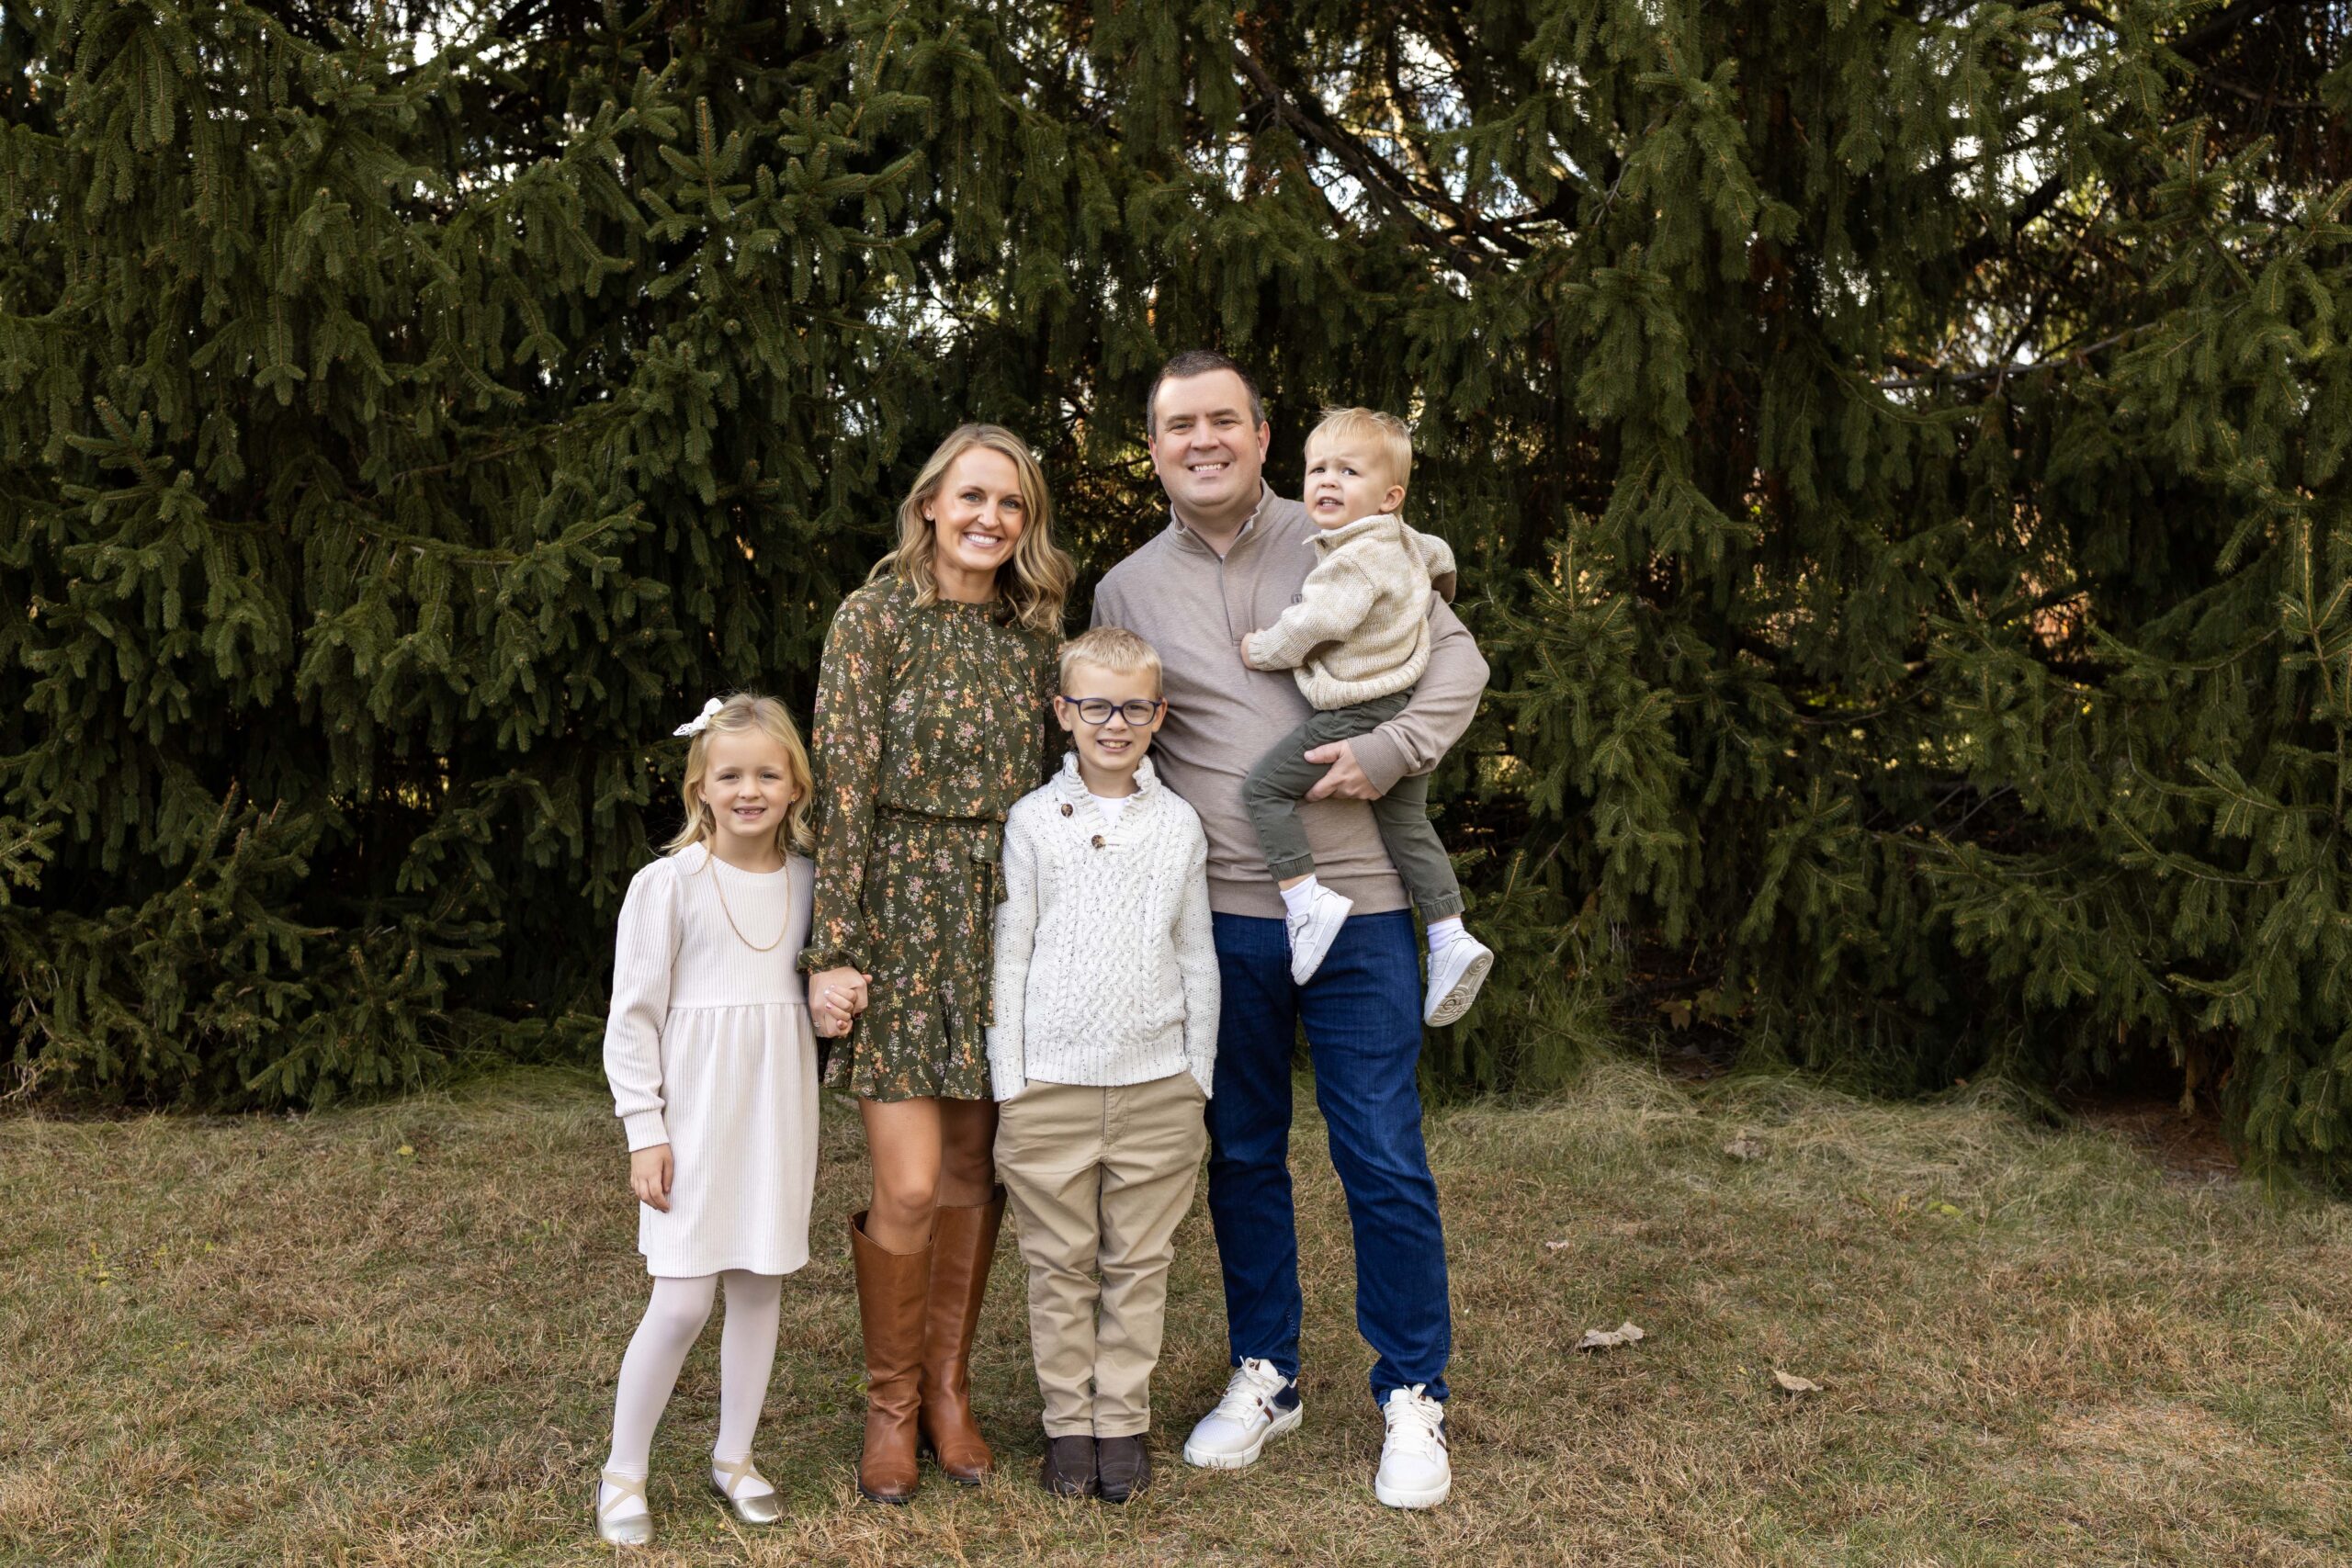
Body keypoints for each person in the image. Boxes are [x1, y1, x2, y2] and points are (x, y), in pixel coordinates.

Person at [1091, 351, 1487, 1510]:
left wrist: (1390, 752)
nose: (1201, 440)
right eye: (1177, 426)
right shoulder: (1126, 590)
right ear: (1154, 446)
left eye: (1224, 420)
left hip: (1361, 908)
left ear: (1262, 437)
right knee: (1245, 1152)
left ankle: (1413, 1391)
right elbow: (1121, 741)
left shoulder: (1349, 526)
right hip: (1222, 917)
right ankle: (1268, 1370)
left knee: (1379, 1149)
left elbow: (1457, 667)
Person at [801, 423, 1072, 1504]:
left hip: (1000, 913)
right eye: (970, 497)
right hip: (901, 908)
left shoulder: (1035, 636)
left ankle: (950, 1389)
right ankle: (890, 1405)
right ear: (928, 505)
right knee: (907, 1183)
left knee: (971, 1171)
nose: (989, 520)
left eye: (1011, 505)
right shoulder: (873, 620)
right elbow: (846, 790)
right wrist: (836, 950)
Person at [594, 693, 833, 1547]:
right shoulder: (668, 886)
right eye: (730, 774)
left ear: (797, 786)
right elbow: (635, 1017)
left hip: (775, 1105)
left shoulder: (812, 883)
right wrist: (644, 1128)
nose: (749, 790)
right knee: (684, 1297)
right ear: (700, 785)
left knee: (760, 1283)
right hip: (694, 1112)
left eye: (768, 773)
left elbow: (811, 995)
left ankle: (735, 1454)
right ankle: (624, 1466)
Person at [987, 626, 1219, 1503]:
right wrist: (1011, 1079)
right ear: (1063, 713)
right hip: (1050, 1084)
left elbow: (1197, 955)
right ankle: (1066, 1425)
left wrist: (1197, 1071)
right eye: (1094, 705)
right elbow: (1013, 952)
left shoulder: (1178, 824)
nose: (1112, 723)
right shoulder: (1034, 822)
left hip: (1158, 1084)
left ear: (1157, 715)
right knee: (1059, 1262)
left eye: (1131, 707)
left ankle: (1120, 1421)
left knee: (1138, 1263)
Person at [1239, 405, 1494, 1021]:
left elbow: (1316, 622)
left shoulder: (1352, 558)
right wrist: (1439, 585)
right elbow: (1437, 554)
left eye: (1348, 471)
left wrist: (1260, 648)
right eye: (1317, 468)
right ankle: (1449, 933)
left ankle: (1306, 900)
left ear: (1389, 496)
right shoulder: (1403, 540)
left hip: (1359, 709)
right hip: (1399, 700)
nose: (1327, 481)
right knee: (1408, 825)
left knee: (1264, 791)